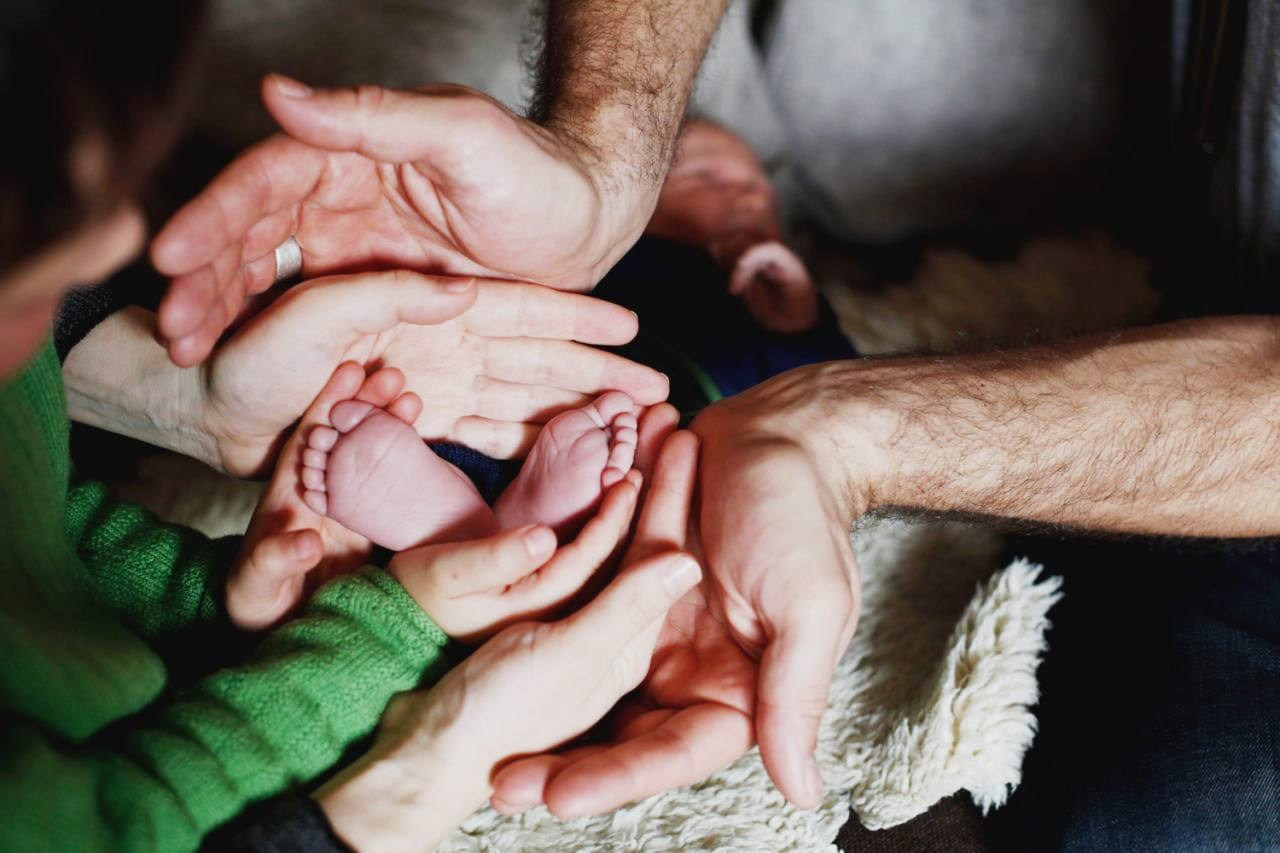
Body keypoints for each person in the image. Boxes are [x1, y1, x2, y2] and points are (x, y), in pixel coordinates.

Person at [0, 2, 709, 850]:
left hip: (155, 674)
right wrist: (405, 638)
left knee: (693, 367)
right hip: (158, 780)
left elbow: (36, 545)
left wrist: (214, 602)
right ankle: (467, 550)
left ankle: (468, 537)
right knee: (711, 373)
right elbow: (123, 828)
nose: (114, 235)